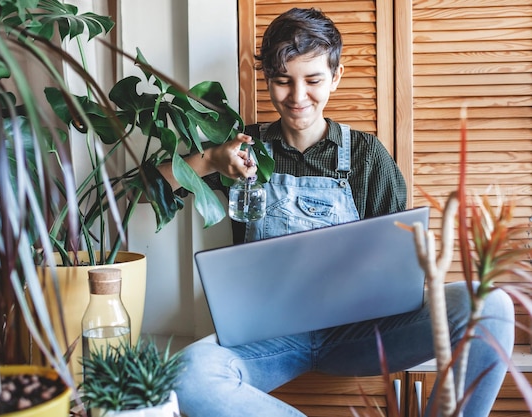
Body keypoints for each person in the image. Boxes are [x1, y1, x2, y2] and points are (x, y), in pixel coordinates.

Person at [157, 7, 514, 416]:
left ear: (336, 77)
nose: (297, 96)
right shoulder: (242, 150)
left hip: (359, 334)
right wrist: (210, 160)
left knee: (493, 306)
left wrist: (418, 260)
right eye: (282, 81)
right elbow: (145, 190)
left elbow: (401, 267)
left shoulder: (367, 155)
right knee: (186, 376)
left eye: (312, 80)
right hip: (266, 339)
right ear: (267, 80)